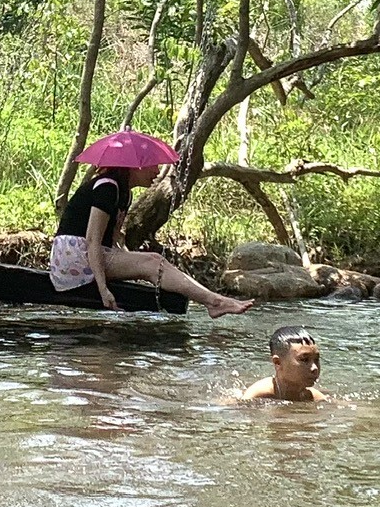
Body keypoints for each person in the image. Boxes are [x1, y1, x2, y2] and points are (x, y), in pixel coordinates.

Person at [50, 165, 252, 316]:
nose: (157, 171)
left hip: (84, 254)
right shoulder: (107, 187)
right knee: (154, 262)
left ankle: (212, 300)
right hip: (72, 256)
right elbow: (92, 240)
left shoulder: (124, 193)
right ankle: (214, 302)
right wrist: (103, 290)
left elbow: (111, 241)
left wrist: (130, 260)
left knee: (151, 262)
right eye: (152, 166)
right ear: (134, 167)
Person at [240, 325, 325, 401]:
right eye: (304, 360)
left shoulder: (313, 397)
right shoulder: (258, 394)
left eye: (316, 359)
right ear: (278, 363)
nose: (315, 368)